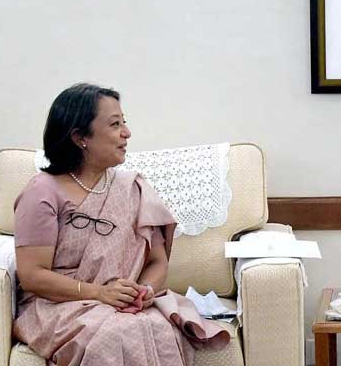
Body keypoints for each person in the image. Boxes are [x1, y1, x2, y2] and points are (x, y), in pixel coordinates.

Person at [13, 83, 228, 365]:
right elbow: (32, 276)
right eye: (115, 125)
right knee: (115, 335)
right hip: (58, 305)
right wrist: (100, 294)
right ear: (80, 137)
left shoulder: (132, 188)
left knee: (156, 328)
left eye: (124, 123)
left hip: (121, 305)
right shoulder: (42, 192)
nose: (127, 133)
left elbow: (157, 262)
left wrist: (144, 292)